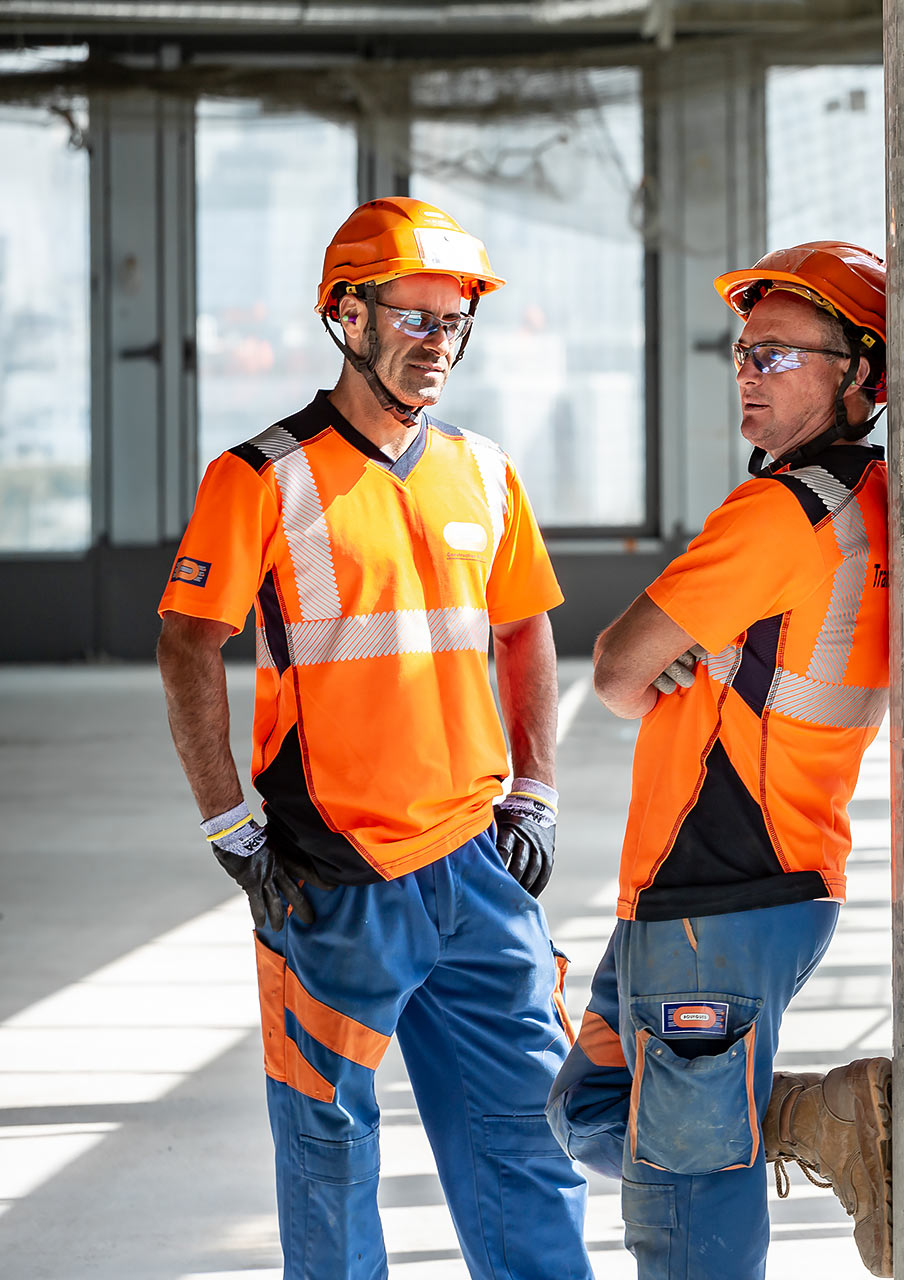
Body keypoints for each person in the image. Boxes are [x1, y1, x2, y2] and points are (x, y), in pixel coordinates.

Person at [155, 197, 590, 1277]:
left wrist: (533, 790)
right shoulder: (259, 477)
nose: (438, 344)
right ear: (348, 315)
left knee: (527, 1138)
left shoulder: (484, 470)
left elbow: (526, 623)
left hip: (481, 871)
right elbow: (184, 640)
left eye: (454, 323)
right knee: (330, 1149)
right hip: (335, 873)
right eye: (414, 319)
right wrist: (229, 820)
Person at [547, 242, 894, 1278]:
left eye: (783, 354)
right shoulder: (864, 495)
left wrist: (678, 649)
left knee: (688, 1214)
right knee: (593, 1105)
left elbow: (615, 669)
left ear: (861, 376)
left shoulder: (782, 512)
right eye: (746, 351)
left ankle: (811, 1119)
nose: (751, 370)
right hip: (732, 885)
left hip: (717, 891)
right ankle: (821, 1117)